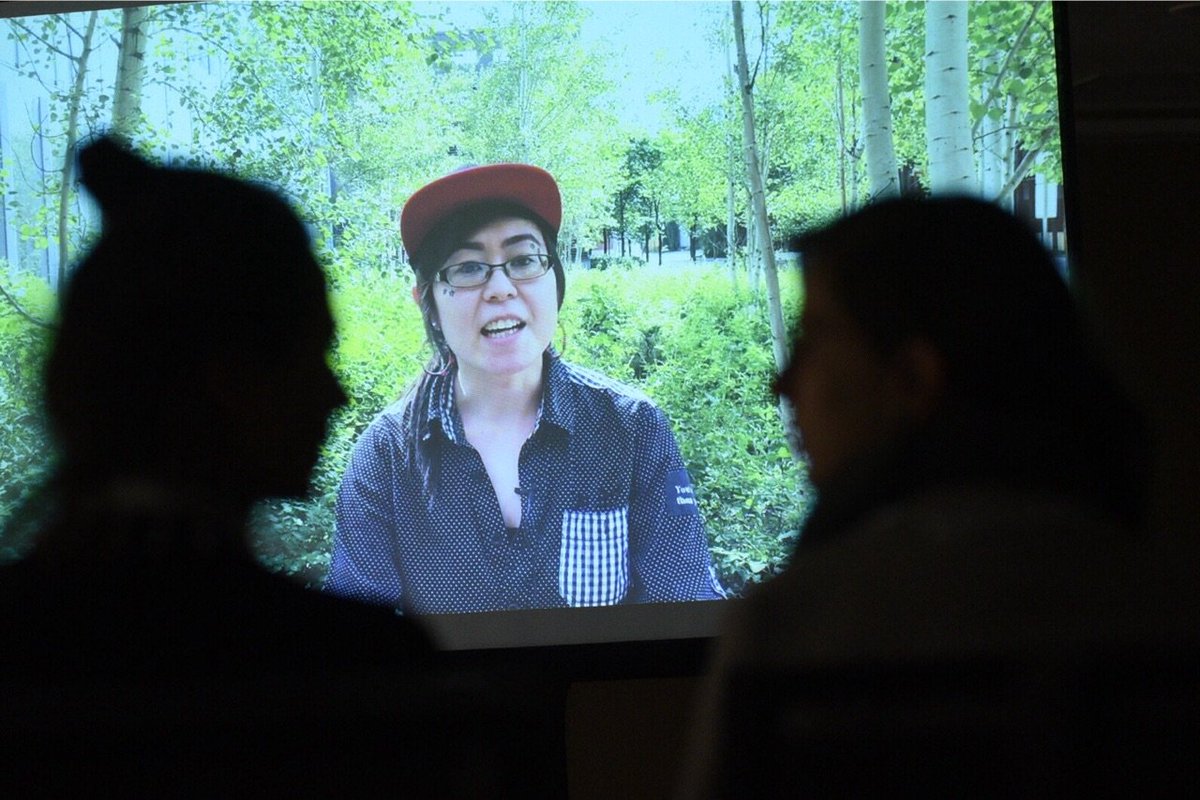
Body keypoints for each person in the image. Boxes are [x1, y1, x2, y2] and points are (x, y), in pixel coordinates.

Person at [677, 196, 1185, 797]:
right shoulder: (1163, 602)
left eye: (815, 338)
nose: (781, 383)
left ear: (914, 379)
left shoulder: (795, 627)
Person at [326, 164, 723, 613]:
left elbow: (686, 613)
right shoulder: (385, 458)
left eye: (524, 261)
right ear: (429, 302)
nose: (500, 288)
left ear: (555, 280)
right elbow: (355, 654)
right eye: (468, 268)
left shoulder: (631, 428)